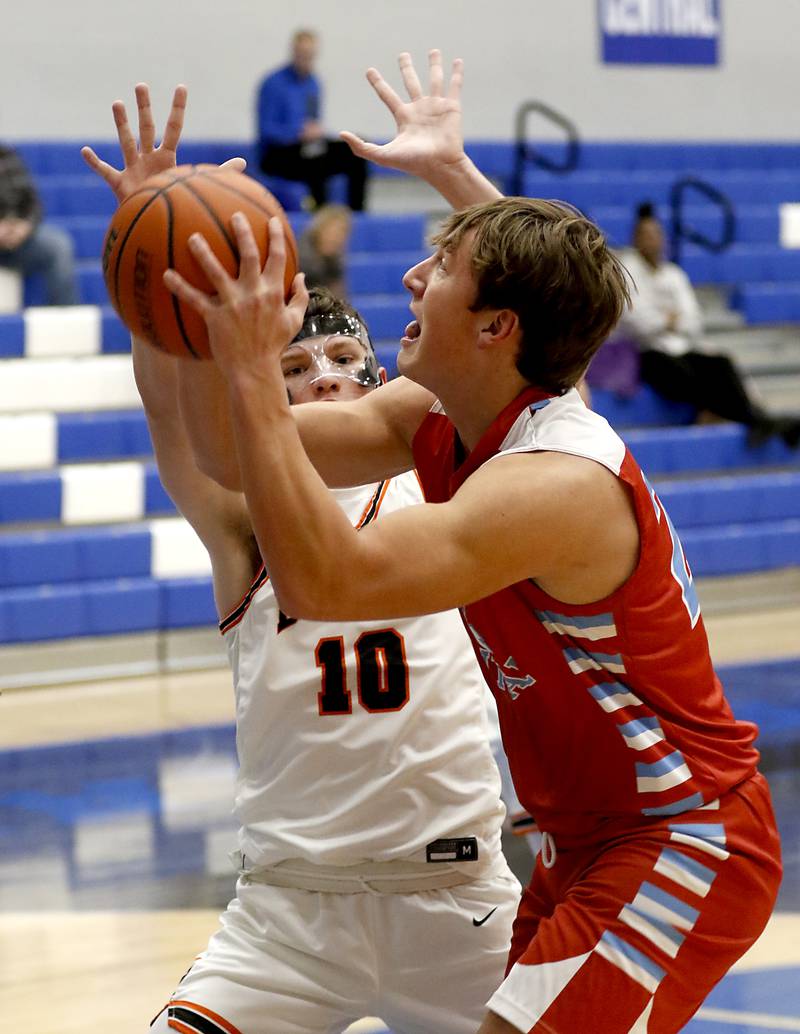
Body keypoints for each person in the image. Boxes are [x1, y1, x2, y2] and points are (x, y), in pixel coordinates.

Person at [166, 51, 783, 1034]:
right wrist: (187, 316)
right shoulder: (450, 411)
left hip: (677, 836)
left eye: (439, 265)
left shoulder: (552, 485)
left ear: (494, 328)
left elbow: (326, 579)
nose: (410, 275)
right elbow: (234, 453)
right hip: (581, 839)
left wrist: (249, 368)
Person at [83, 84, 520, 1034]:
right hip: (288, 913)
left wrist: (455, 178)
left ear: (380, 381)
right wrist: (163, 280)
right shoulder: (242, 518)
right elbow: (172, 409)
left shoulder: (445, 473)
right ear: (260, 390)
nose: (324, 375)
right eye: (296, 365)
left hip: (458, 898)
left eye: (344, 362)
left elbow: (528, 327)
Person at [615, 201, 800, 446]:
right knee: (679, 373)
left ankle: (748, 417)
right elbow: (635, 321)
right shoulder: (626, 271)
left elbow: (693, 320)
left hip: (680, 347)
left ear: (663, 238)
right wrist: (668, 319)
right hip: (646, 353)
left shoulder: (674, 274)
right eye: (644, 235)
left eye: (655, 235)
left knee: (720, 364)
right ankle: (753, 420)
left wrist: (666, 321)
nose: (650, 241)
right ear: (635, 238)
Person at [257, 29, 368, 211]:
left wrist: (315, 132)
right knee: (316, 159)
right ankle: (321, 218)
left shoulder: (313, 83)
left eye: (309, 55)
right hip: (277, 154)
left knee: (356, 151)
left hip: (306, 148)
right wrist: (297, 133)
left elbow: (314, 123)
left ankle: (357, 215)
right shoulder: (272, 83)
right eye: (301, 54)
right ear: (293, 52)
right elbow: (266, 130)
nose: (305, 59)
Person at [0, 144, 78, 306]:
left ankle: (63, 320)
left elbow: (33, 203)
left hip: (19, 240)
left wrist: (25, 226)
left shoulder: (8, 157)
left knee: (58, 246)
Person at [297, 202, 352, 297]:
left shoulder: (335, 263)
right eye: (332, 232)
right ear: (319, 230)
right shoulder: (299, 260)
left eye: (342, 233)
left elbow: (340, 299)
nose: (336, 238)